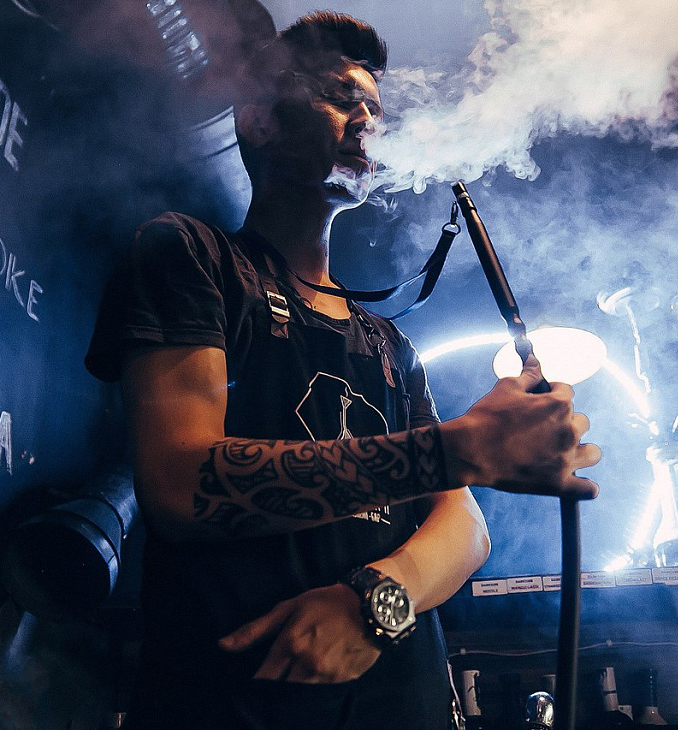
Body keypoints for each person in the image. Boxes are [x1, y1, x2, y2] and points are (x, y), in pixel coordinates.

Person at [85, 10, 600, 729]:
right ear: (259, 119)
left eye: (375, 109)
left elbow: (464, 526)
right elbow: (178, 483)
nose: (367, 121)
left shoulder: (389, 343)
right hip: (236, 704)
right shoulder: (190, 255)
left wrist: (374, 601)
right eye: (338, 97)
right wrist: (454, 449)